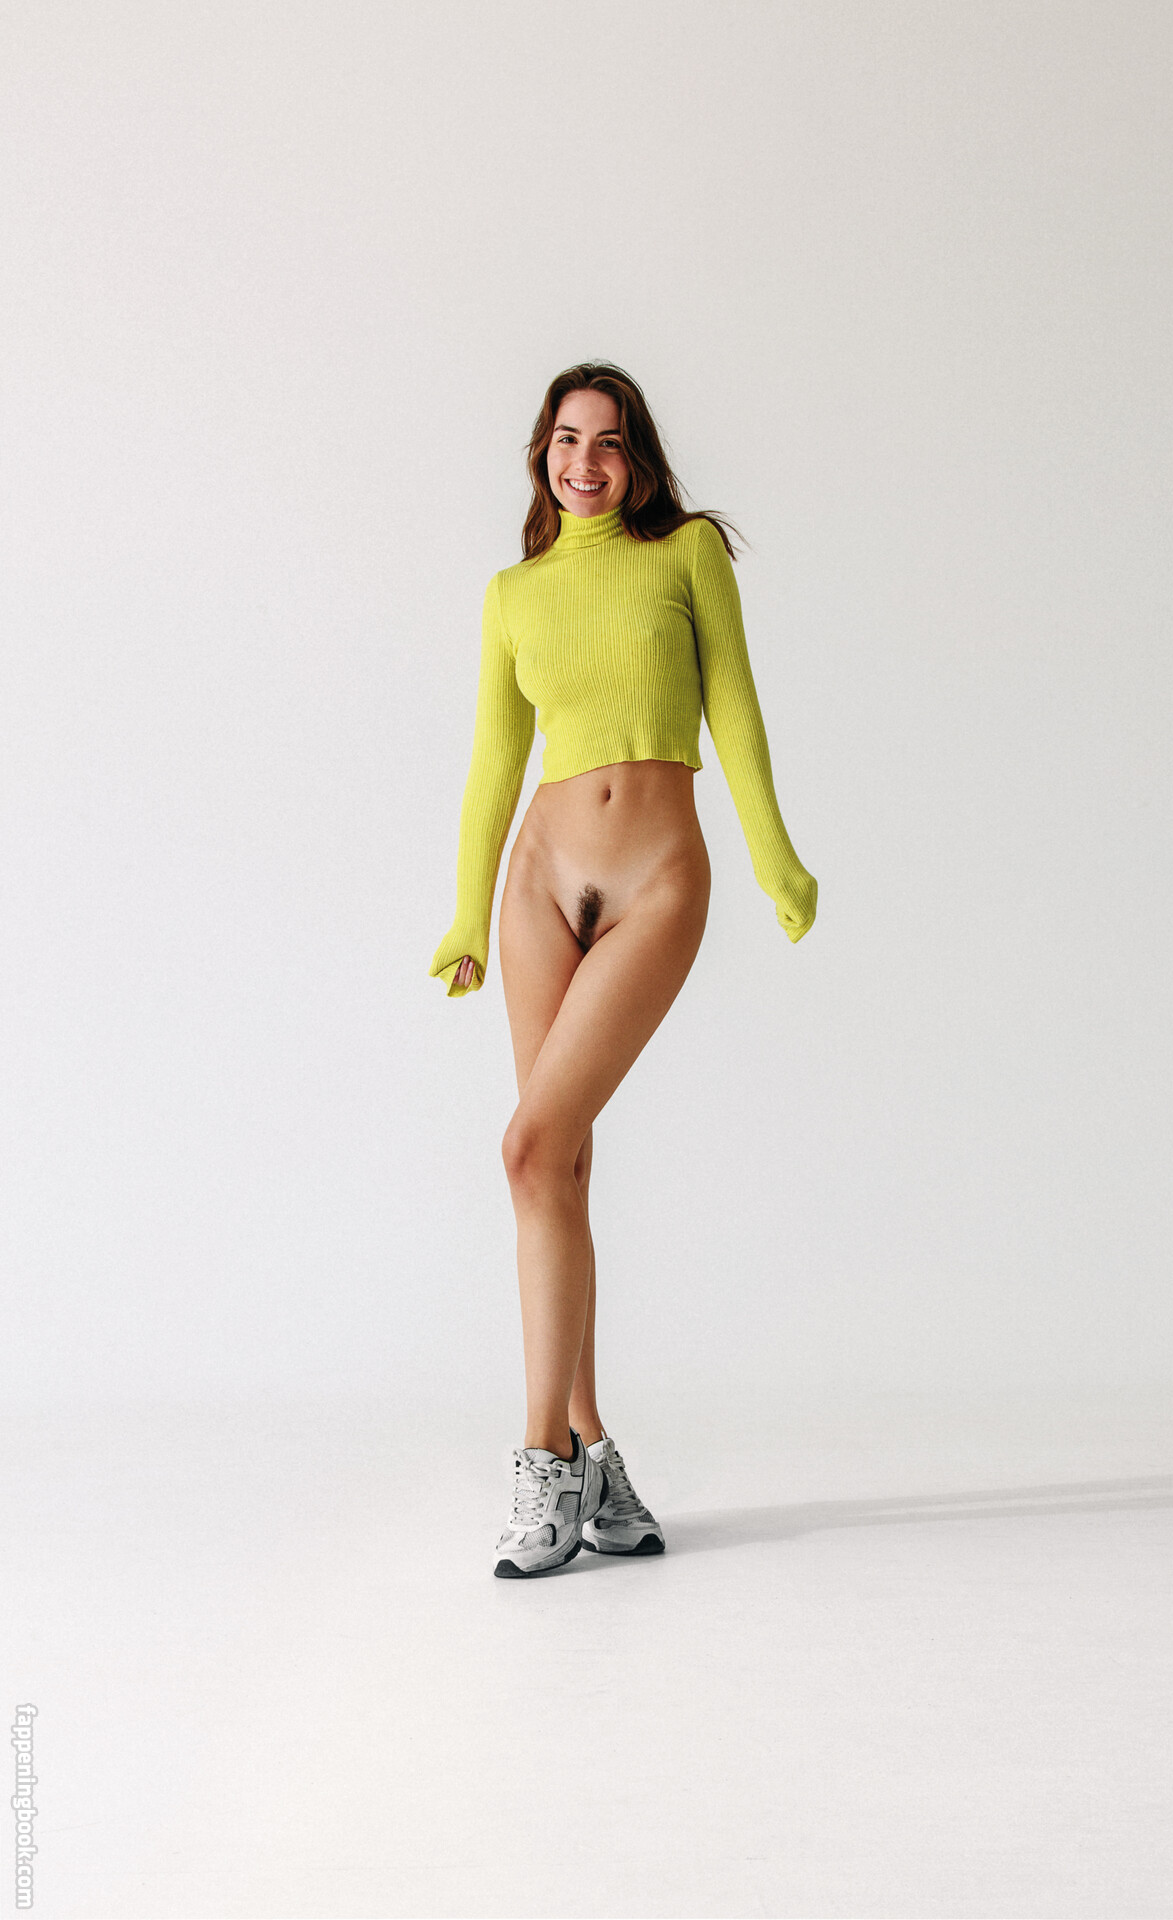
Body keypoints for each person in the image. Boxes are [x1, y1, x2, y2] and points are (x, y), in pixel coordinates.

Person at [430, 361, 818, 1578]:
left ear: (636, 457)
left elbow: (734, 711)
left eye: (605, 441)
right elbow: (494, 762)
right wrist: (466, 915)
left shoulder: (686, 555)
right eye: (564, 440)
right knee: (555, 1164)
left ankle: (538, 1456)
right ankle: (590, 1452)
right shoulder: (512, 593)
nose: (583, 462)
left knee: (527, 1147)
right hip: (539, 885)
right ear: (540, 455)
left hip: (655, 884)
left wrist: (774, 858)